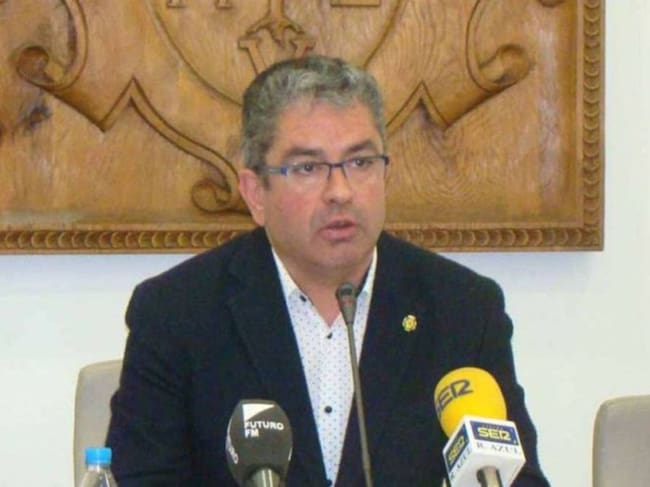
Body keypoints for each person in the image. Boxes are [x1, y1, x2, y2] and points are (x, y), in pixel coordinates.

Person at [106, 55, 550, 486]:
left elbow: (514, 478)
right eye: (308, 167)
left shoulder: (463, 310)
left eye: (360, 163)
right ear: (255, 193)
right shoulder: (177, 314)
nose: (340, 191)